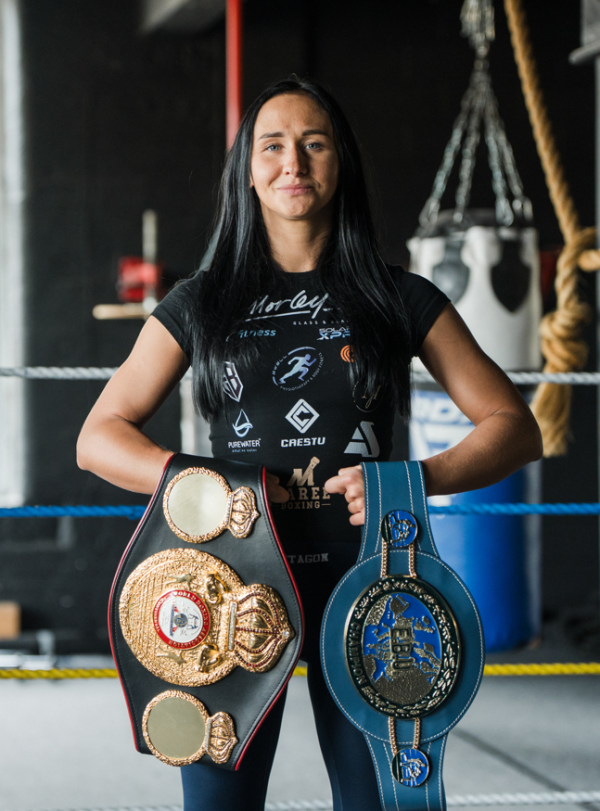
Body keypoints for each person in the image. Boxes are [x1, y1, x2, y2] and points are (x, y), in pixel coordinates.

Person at [77, 77, 542, 811]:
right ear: (248, 169)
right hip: (230, 584)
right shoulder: (201, 301)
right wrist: (210, 488)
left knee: (377, 802)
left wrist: (412, 478)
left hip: (368, 581)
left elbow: (516, 426)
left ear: (340, 161)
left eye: (313, 143)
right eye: (272, 145)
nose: (292, 161)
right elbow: (98, 438)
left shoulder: (399, 296)